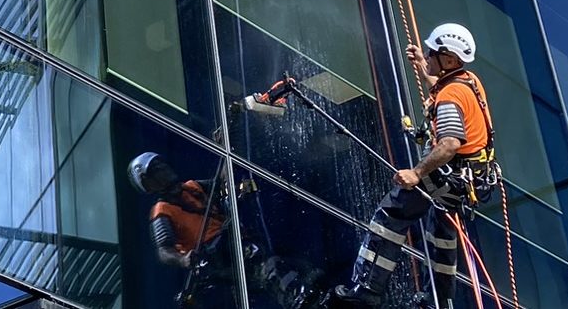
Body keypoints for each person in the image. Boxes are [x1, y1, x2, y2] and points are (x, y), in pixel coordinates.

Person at [327, 23, 499, 308]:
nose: (428, 56)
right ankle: (438, 303)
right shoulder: (468, 81)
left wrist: (417, 174)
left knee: (391, 215)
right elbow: (446, 93)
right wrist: (422, 66)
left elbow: (450, 144)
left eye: (433, 53)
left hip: (449, 175)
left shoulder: (450, 97)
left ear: (449, 60)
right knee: (442, 237)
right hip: (467, 180)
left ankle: (367, 289)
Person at [129, 152, 317, 308]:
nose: (164, 168)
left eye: (162, 163)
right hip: (218, 256)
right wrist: (184, 259)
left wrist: (223, 150)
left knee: (296, 264)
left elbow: (222, 184)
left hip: (235, 239)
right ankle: (299, 303)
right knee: (268, 267)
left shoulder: (193, 187)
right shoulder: (161, 211)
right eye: (156, 169)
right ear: (148, 183)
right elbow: (164, 250)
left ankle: (319, 292)